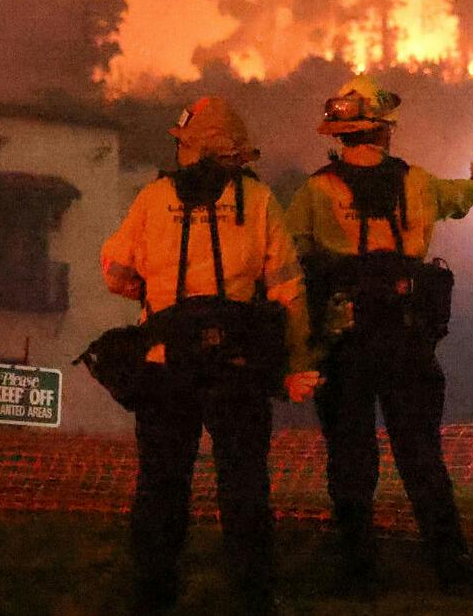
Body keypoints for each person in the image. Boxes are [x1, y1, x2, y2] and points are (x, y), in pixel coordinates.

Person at [100, 96, 320, 616]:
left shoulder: (153, 199)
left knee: (160, 483)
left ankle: (152, 595)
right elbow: (287, 288)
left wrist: (151, 296)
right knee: (244, 484)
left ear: (194, 148)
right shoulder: (261, 200)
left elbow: (114, 269)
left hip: (163, 365)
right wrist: (296, 364)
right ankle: (252, 596)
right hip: (238, 368)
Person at [285, 74, 473, 594]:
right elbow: (461, 197)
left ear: (339, 133)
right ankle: (451, 567)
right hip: (408, 342)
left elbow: (286, 255)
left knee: (351, 460)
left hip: (345, 343)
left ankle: (357, 573)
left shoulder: (315, 191)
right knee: (422, 455)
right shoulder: (419, 183)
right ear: (384, 132)